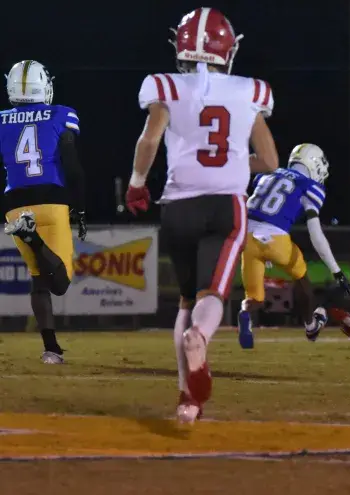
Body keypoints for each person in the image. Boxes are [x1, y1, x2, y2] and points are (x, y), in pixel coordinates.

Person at [124, 8, 279, 424]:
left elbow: (149, 139)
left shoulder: (165, 86)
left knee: (186, 300)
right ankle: (201, 338)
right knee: (212, 297)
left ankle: (187, 400)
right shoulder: (251, 90)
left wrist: (137, 183)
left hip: (178, 205)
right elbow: (269, 160)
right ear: (228, 48)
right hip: (226, 204)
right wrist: (234, 163)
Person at [0, 60, 87, 364]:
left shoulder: (2, 120)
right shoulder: (61, 114)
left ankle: (51, 350)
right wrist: (80, 206)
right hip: (51, 198)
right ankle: (33, 237)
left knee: (38, 279)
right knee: (59, 284)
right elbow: (72, 165)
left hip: (14, 202)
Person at [238, 144, 350, 349]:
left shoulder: (268, 174)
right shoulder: (310, 186)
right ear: (316, 165)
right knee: (301, 277)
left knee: (254, 298)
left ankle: (245, 313)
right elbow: (315, 233)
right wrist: (336, 271)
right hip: (276, 238)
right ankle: (311, 326)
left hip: (246, 237)